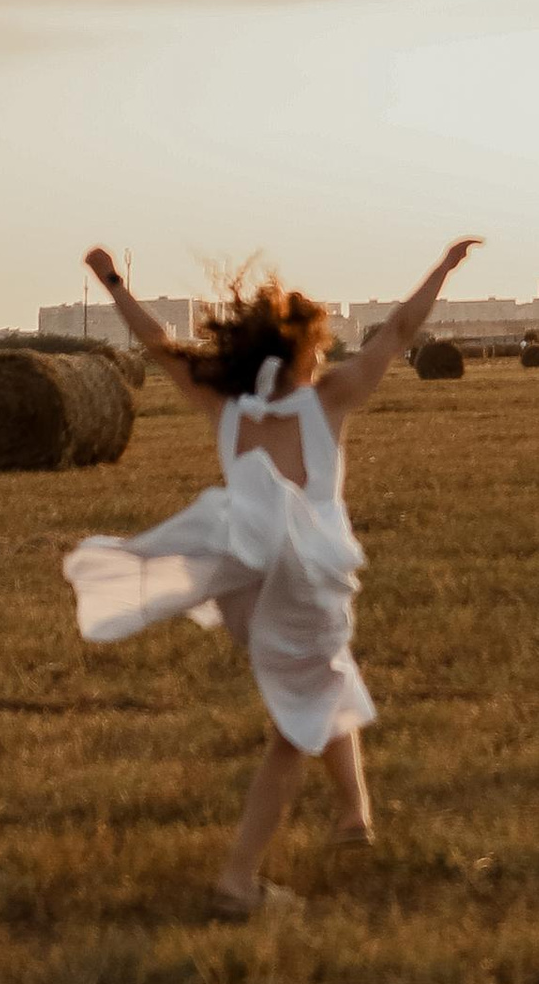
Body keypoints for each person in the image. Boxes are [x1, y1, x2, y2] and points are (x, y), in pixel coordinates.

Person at [63, 235, 481, 917]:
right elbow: (402, 329)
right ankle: (237, 880)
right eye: (318, 344)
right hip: (304, 580)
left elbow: (157, 342)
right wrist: (443, 266)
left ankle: (355, 817)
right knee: (294, 727)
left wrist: (111, 282)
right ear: (301, 350)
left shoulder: (223, 404)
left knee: (322, 677)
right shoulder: (330, 397)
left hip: (244, 585)